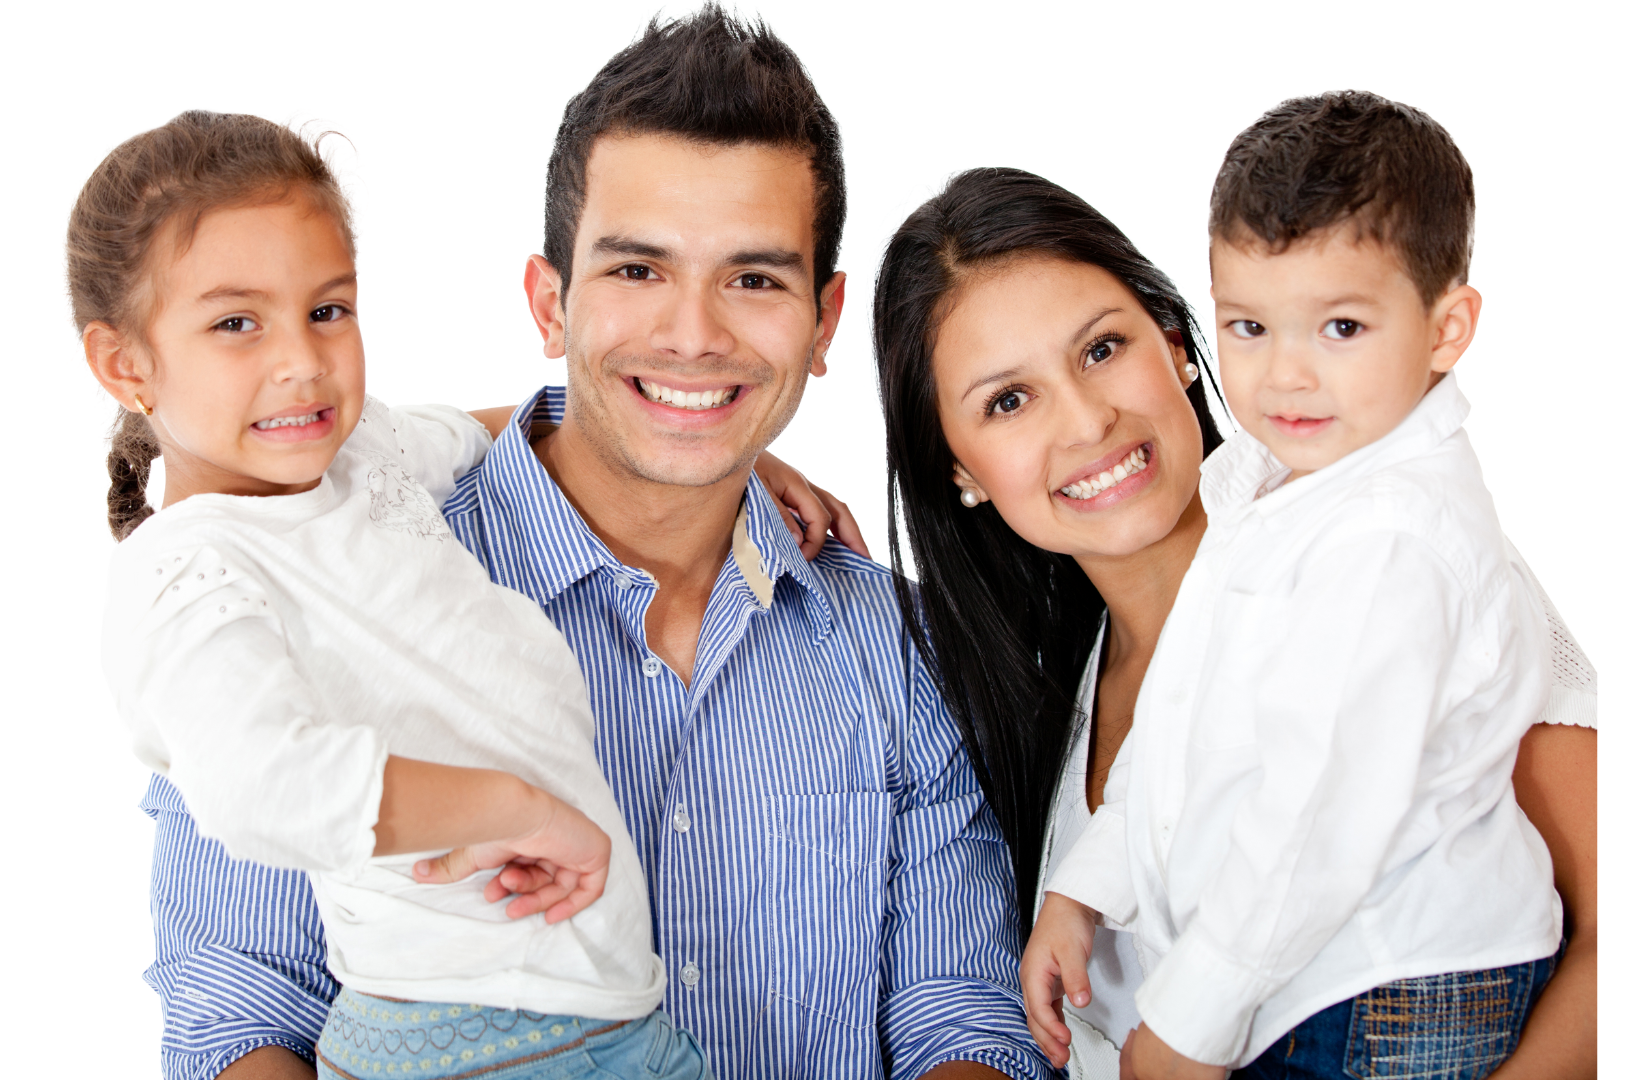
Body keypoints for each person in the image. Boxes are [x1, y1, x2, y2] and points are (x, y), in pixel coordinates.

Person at [117, 6, 1051, 1079]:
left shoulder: (897, 645)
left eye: (753, 279)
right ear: (548, 303)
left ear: (824, 323)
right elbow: (241, 1007)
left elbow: (962, 1019)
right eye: (637, 272)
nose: (694, 335)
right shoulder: (317, 577)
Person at [863, 158, 1597, 1080]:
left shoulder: (1376, 546)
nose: (1088, 420)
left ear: (1176, 342)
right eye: (1008, 401)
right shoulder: (1040, 708)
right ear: (956, 470)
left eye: (1101, 349)